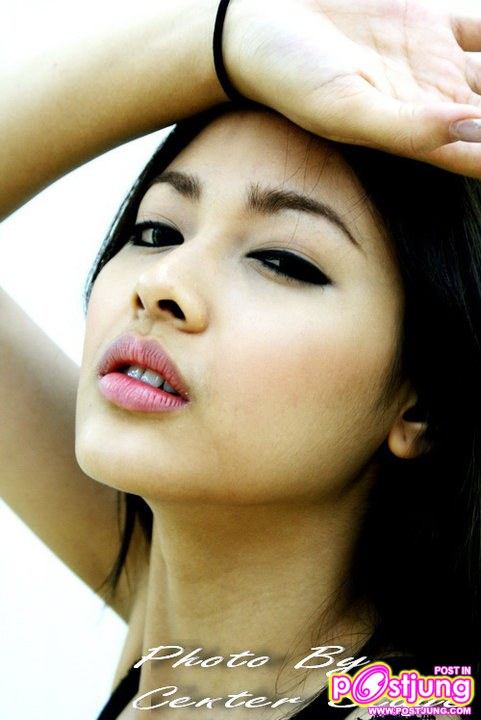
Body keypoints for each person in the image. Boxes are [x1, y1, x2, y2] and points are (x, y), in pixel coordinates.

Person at [1, 1, 480, 718]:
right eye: (156, 231)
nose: (162, 283)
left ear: (425, 405)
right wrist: (231, 35)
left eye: (281, 260)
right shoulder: (184, 629)